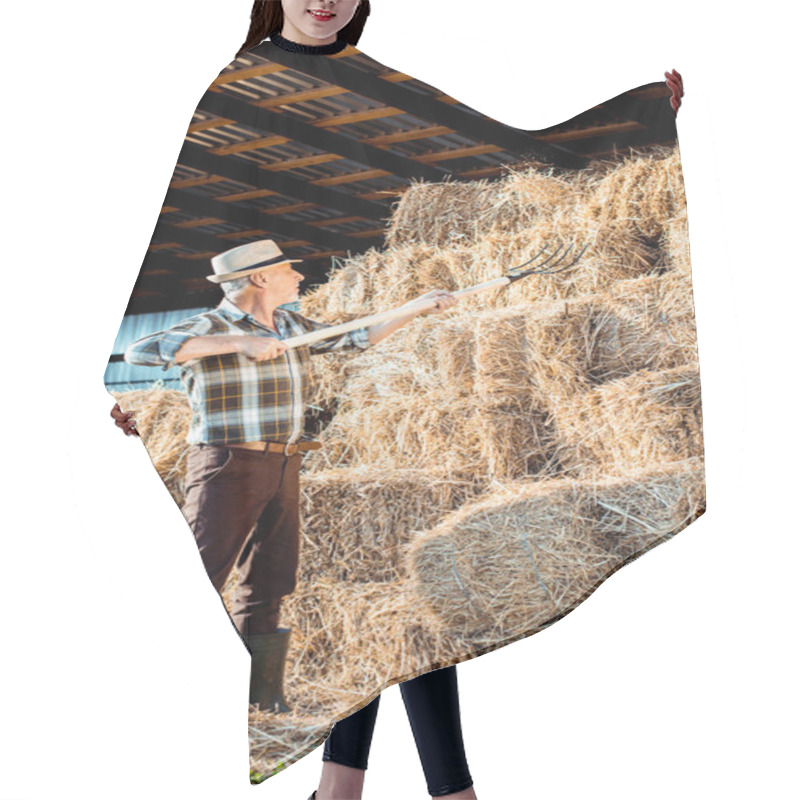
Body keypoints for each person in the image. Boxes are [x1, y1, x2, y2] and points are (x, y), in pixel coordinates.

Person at [108, 3, 684, 798]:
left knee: (366, 611)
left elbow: (364, 322)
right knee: (263, 605)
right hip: (230, 467)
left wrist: (639, 118)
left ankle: (350, 785)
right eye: (283, 272)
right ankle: (396, 781)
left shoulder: (366, 94)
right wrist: (220, 353)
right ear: (252, 280)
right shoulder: (240, 90)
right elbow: (150, 344)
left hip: (299, 463)